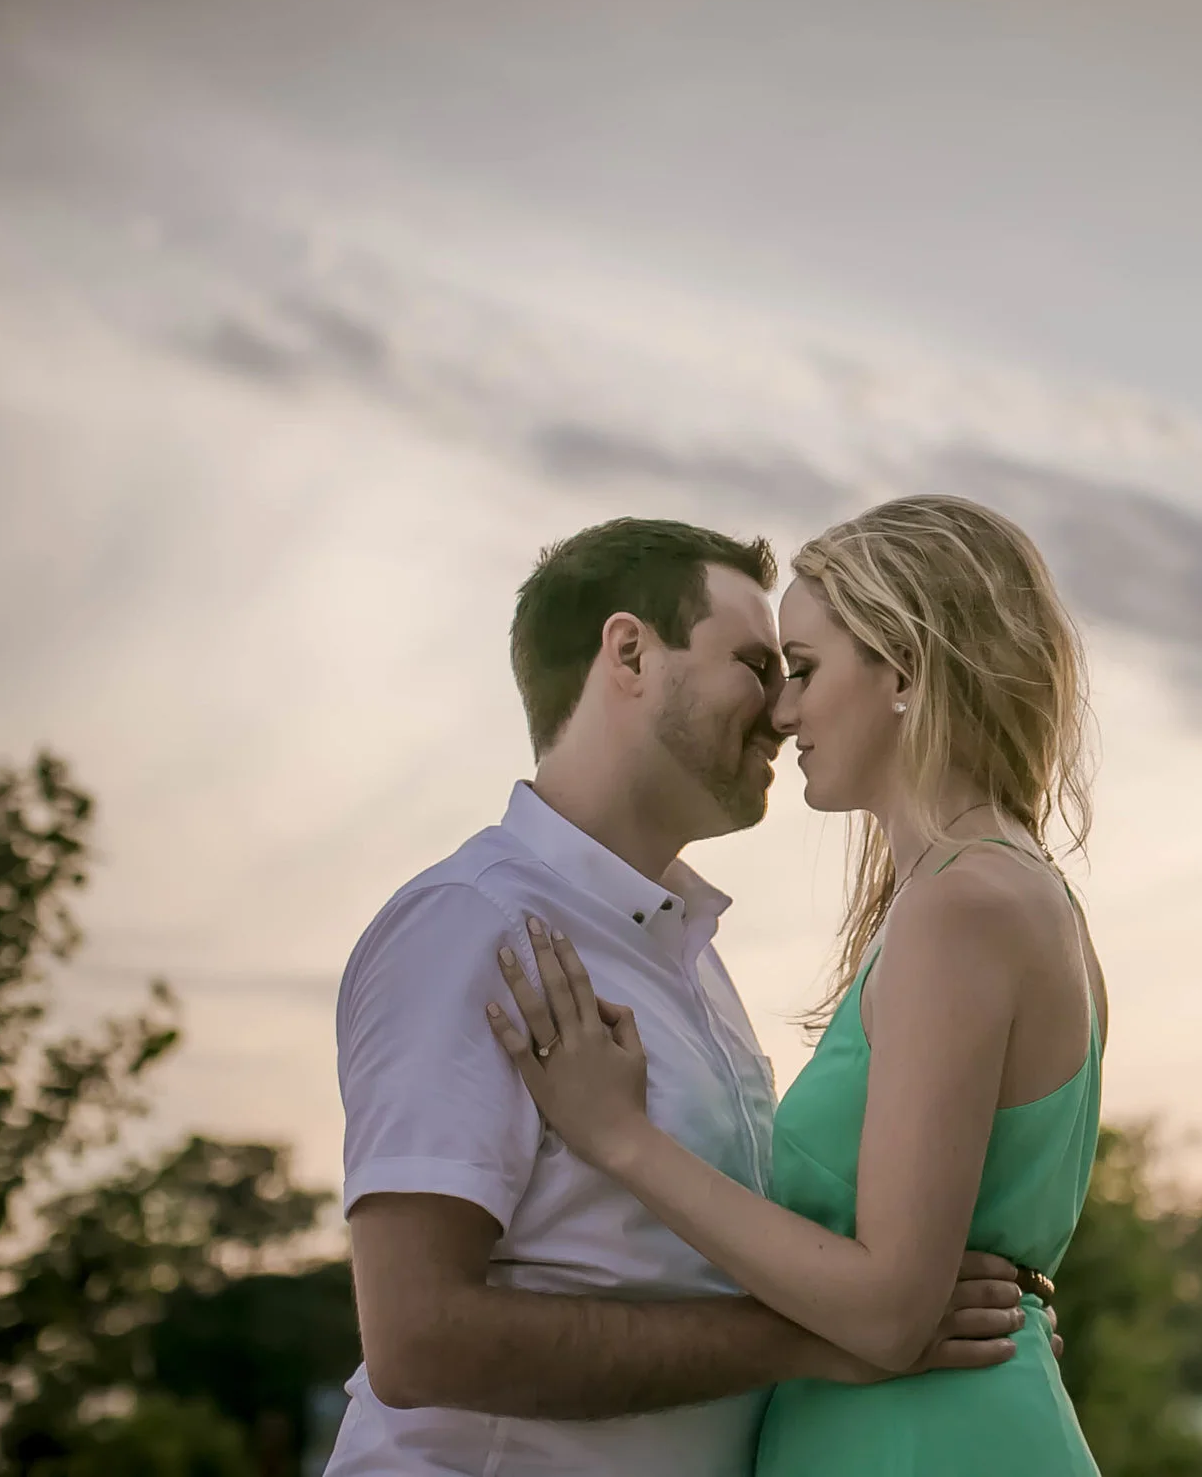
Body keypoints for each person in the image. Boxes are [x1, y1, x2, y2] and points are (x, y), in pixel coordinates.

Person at [327, 517, 1053, 1477]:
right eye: (759, 664)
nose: (779, 709)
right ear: (629, 652)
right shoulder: (472, 925)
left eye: (796, 670)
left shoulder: (688, 961)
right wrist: (813, 1340)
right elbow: (419, 1339)